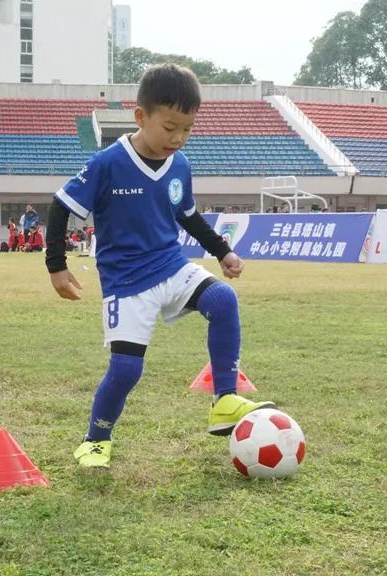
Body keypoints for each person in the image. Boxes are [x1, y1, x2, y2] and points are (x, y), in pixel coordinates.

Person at [45, 64, 274, 468]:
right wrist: (56, 266)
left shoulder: (180, 165)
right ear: (140, 116)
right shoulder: (106, 163)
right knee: (126, 370)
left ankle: (224, 401)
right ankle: (96, 439)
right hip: (126, 282)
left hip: (171, 265)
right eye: (170, 127)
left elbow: (187, 215)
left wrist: (222, 252)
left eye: (187, 128)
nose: (179, 138)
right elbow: (61, 206)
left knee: (223, 300)